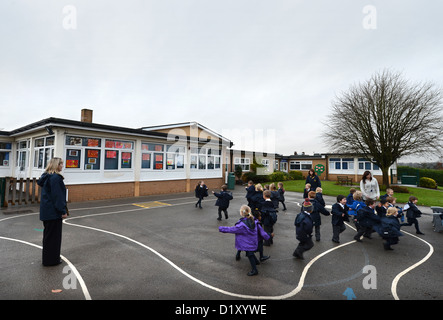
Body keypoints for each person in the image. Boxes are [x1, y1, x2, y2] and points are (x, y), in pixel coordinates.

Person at [219, 205, 270, 276]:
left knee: (250, 255)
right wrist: (268, 237)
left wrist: (221, 228)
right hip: (253, 242)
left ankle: (254, 270)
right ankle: (256, 262)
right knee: (250, 253)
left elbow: (232, 229)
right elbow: (261, 231)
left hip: (246, 243)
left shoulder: (242, 225)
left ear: (241, 213)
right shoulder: (255, 221)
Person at [37, 158, 68, 267]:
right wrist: (63, 211)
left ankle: (49, 258)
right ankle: (51, 260)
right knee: (54, 237)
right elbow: (58, 197)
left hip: (47, 212)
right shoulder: (55, 178)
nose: (62, 166)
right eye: (61, 164)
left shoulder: (47, 177)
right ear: (56, 165)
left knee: (48, 236)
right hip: (53, 213)